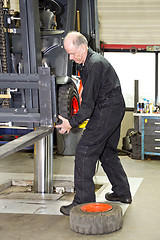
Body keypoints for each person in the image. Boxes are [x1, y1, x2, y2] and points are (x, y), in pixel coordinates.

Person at [55, 31, 132, 216]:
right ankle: (122, 192)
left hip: (106, 110)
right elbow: (88, 92)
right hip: (114, 107)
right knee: (107, 152)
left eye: (73, 53)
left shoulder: (95, 64)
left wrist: (70, 123)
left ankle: (82, 201)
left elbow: (88, 107)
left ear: (83, 47)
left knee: (84, 152)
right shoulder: (86, 62)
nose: (71, 58)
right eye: (68, 54)